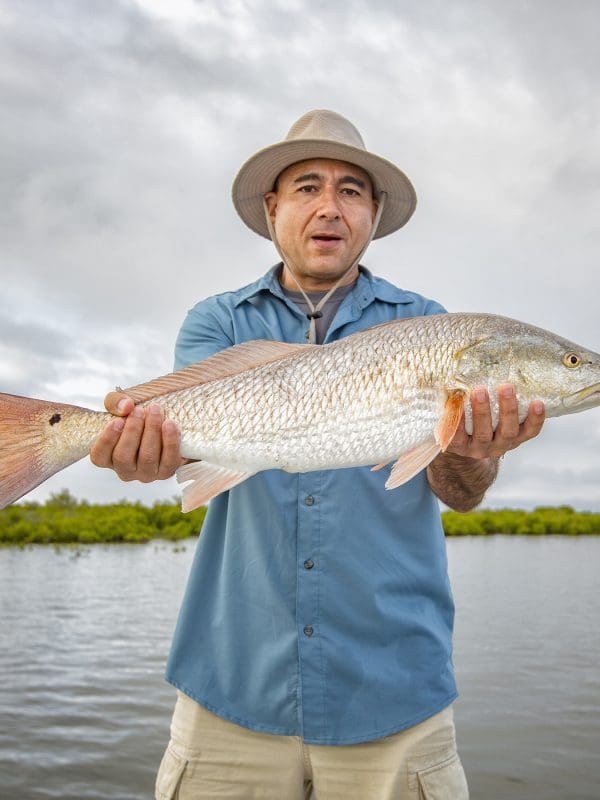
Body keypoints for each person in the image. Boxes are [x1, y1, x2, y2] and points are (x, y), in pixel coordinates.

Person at [91, 110, 545, 799]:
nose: (329, 207)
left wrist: (477, 449)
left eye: (352, 191)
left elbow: (463, 492)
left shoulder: (432, 324)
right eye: (307, 186)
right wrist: (146, 454)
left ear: (374, 213)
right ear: (273, 208)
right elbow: (185, 452)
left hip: (395, 690)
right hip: (232, 681)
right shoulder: (218, 321)